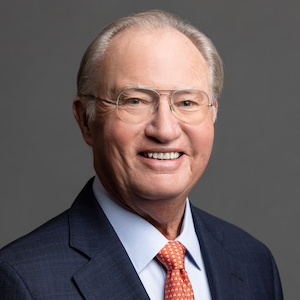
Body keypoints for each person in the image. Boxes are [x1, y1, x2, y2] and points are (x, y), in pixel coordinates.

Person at [0, 10, 283, 300]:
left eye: (187, 102)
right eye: (134, 101)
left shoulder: (253, 263)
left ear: (212, 115)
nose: (165, 130)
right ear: (86, 120)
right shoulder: (22, 280)